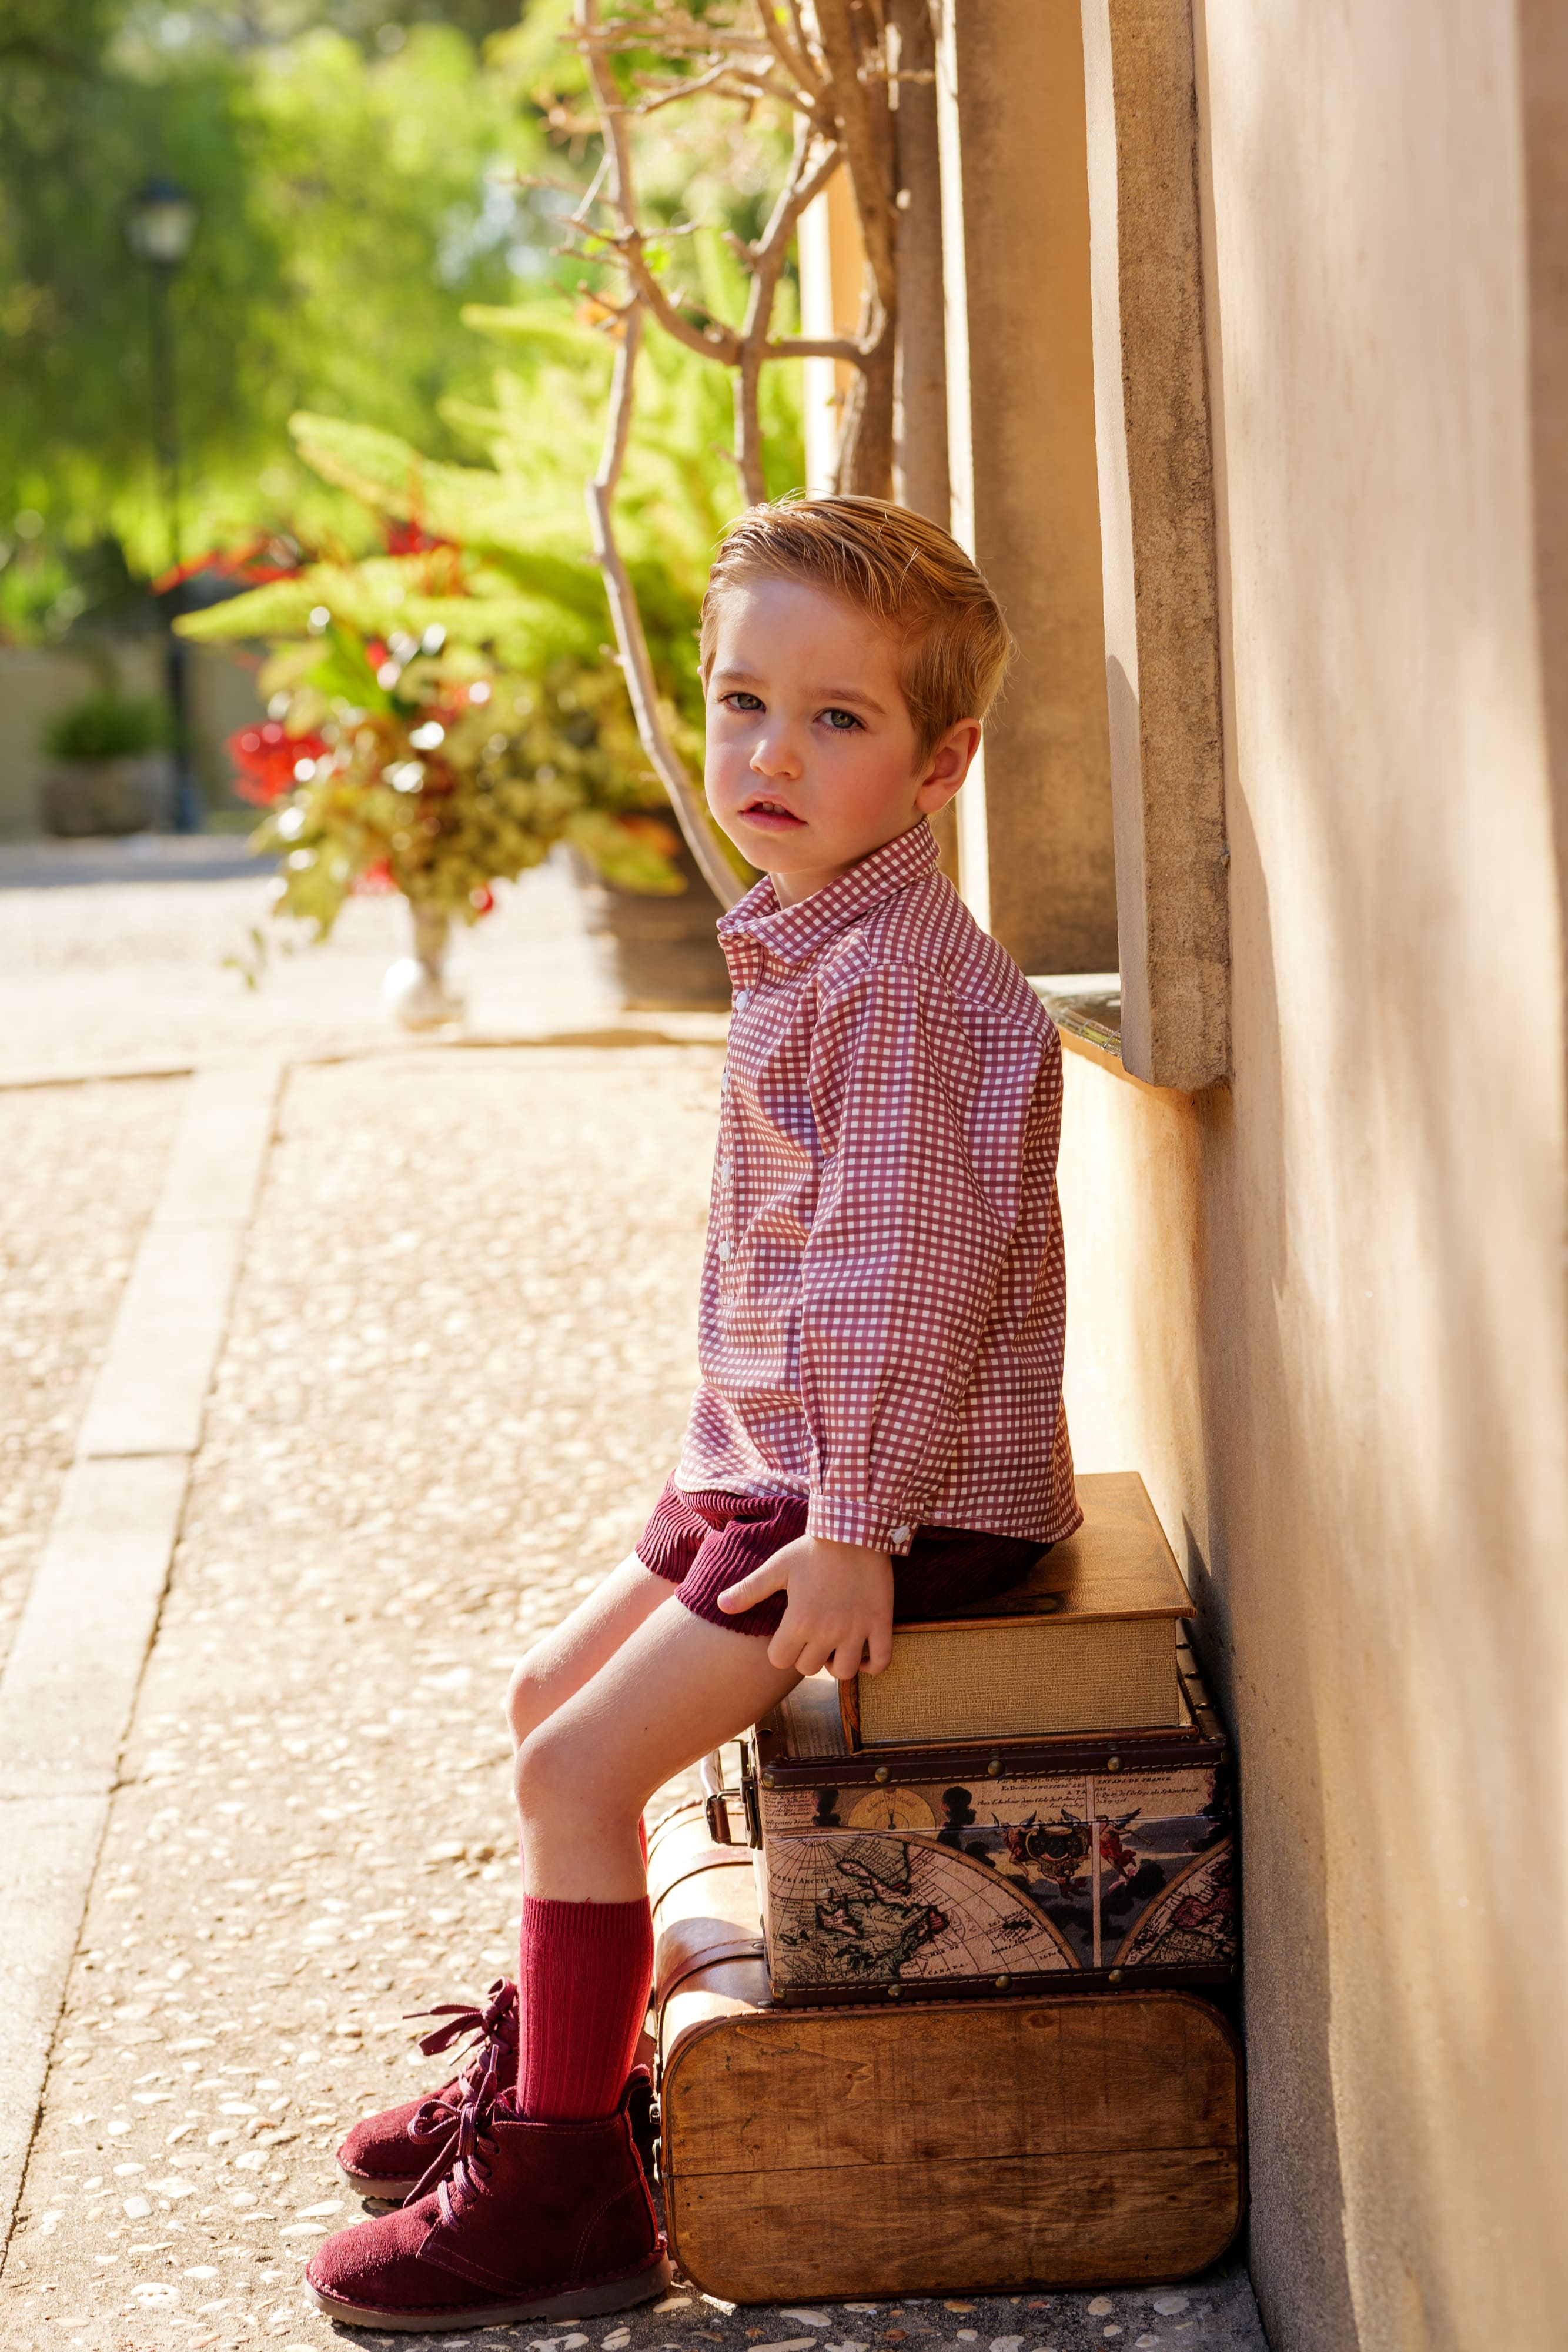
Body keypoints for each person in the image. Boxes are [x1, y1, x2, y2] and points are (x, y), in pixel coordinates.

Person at [306, 495, 1082, 2331]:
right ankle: (563, 2061)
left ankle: (561, 2190)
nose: (769, 754)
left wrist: (854, 1527)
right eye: (744, 703)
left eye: (836, 718)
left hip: (884, 1498)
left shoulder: (893, 990)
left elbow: (897, 1283)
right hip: (790, 1471)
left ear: (941, 761)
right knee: (544, 1700)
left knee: (575, 1776)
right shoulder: (820, 938)